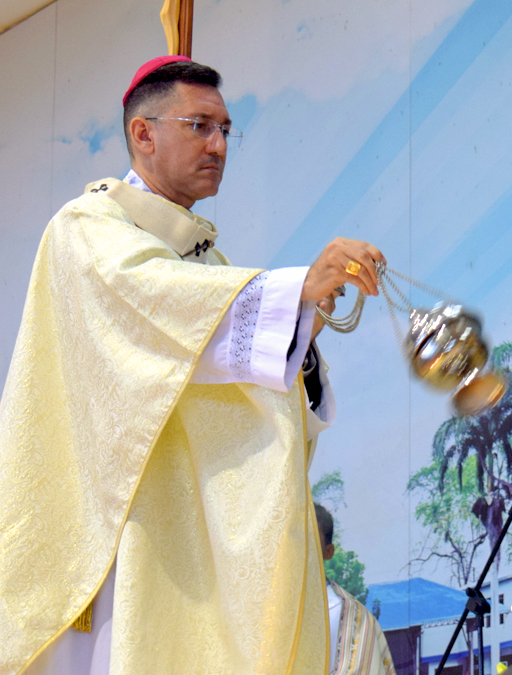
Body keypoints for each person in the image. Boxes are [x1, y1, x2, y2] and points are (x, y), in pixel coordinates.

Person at [0, 56, 384, 675]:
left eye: (226, 129)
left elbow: (223, 358)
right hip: (119, 538)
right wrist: (295, 291)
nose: (218, 144)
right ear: (143, 134)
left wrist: (302, 329)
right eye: (200, 124)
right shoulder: (86, 229)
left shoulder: (205, 261)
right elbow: (156, 305)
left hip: (189, 544)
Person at [314, 504, 396, 675]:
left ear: (328, 552)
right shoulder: (262, 610)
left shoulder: (354, 619)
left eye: (310, 539)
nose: (300, 549)